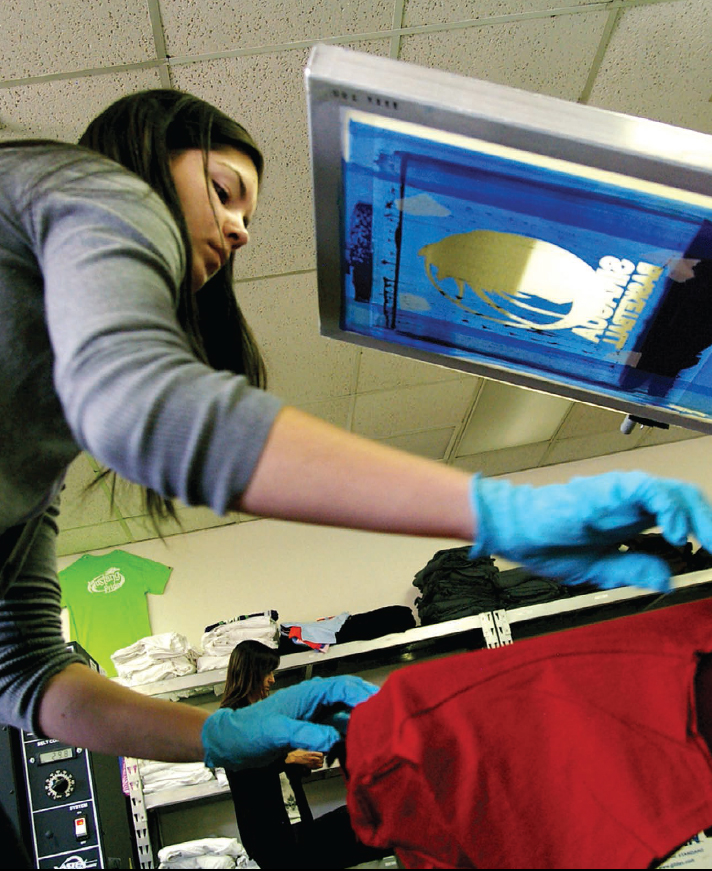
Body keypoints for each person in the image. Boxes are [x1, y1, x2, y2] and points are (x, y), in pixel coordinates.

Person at [1, 86, 712, 861]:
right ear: (143, 154)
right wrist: (500, 511)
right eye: (223, 191)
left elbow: (29, 679)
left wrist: (215, 732)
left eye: (247, 214)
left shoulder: (28, 468)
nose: (240, 230)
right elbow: (142, 406)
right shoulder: (91, 187)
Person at [220, 640, 389, 869]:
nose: (272, 679)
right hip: (271, 839)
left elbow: (278, 774)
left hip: (295, 824)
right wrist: (287, 759)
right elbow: (241, 767)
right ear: (251, 673)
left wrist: (303, 761)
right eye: (267, 672)